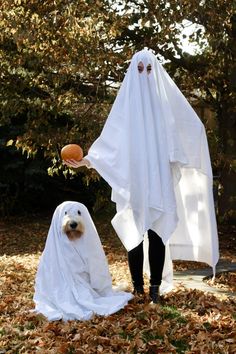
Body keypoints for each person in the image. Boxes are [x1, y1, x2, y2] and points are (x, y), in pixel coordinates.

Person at [64, 49, 219, 303]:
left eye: (149, 69)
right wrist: (86, 161)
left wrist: (194, 139)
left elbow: (183, 132)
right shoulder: (124, 111)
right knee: (134, 232)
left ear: (155, 72)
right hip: (134, 181)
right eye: (139, 69)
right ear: (131, 73)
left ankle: (155, 288)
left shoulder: (164, 108)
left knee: (157, 232)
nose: (144, 75)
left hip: (158, 180)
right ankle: (138, 287)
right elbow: (110, 145)